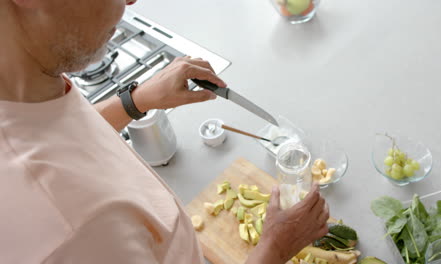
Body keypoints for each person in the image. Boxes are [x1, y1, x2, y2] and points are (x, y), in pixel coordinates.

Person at [0, 0, 330, 263]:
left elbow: (59, 137)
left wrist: (134, 101)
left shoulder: (27, 88)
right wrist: (273, 246)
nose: (132, 0)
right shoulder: (76, 230)